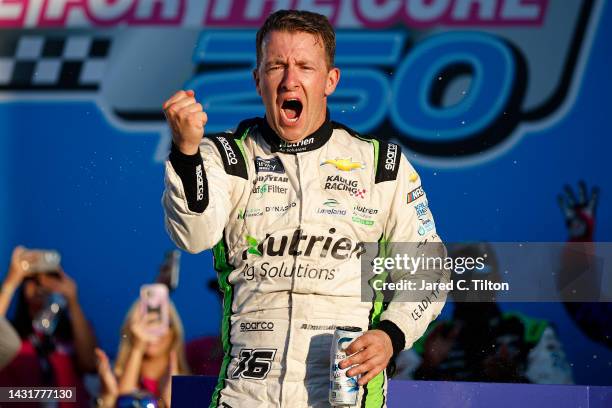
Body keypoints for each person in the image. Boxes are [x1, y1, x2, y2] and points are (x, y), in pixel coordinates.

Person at [162, 9, 449, 407]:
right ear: (258, 79)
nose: (289, 80)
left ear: (330, 80)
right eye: (276, 66)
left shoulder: (381, 166)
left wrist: (391, 335)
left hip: (344, 396)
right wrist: (187, 152)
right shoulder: (227, 156)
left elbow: (428, 269)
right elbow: (194, 237)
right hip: (246, 395)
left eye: (304, 66)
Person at [395, 243, 574, 384]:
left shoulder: (533, 332)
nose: (471, 280)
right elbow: (391, 396)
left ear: (497, 278)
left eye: (481, 269)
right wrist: (427, 370)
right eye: (461, 271)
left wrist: (513, 380)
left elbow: (564, 397)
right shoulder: (425, 338)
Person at [0, 246, 97, 407]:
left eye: (50, 278)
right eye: (33, 280)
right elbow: (4, 394)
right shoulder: (10, 337)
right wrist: (11, 281)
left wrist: (72, 300)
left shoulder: (72, 333)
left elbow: (90, 364)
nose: (41, 286)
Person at [113, 300, 190, 407]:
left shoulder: (189, 385)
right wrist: (137, 349)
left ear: (174, 332)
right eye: (145, 323)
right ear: (132, 331)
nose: (152, 330)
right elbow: (122, 403)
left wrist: (172, 400)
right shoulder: (113, 381)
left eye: (160, 322)